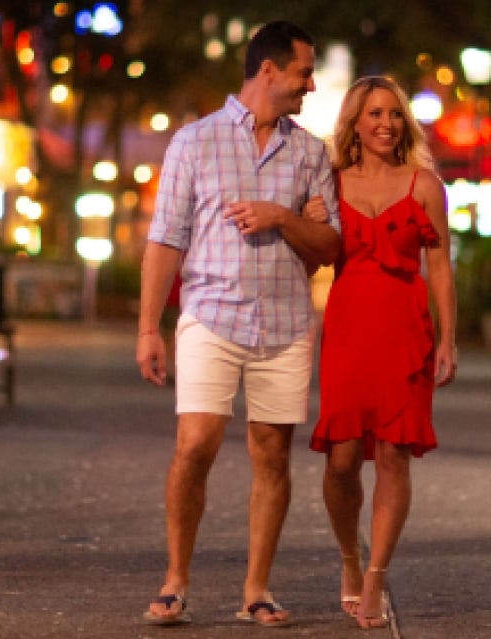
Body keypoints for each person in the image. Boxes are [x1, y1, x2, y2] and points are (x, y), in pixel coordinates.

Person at [135, 20, 341, 628]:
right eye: (304, 71)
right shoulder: (193, 143)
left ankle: (257, 588)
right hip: (210, 315)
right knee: (194, 445)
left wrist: (282, 216)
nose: (309, 84)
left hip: (284, 322)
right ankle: (175, 579)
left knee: (272, 454)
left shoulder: (309, 151)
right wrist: (149, 327)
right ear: (269, 69)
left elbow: (330, 244)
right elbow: (165, 240)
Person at [305, 75, 457, 629]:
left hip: (404, 330)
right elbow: (310, 255)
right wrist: (307, 224)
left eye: (394, 114)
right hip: (347, 330)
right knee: (341, 459)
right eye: (373, 114)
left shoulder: (424, 186)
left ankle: (376, 578)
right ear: (355, 123)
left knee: (394, 454)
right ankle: (349, 557)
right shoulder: (330, 184)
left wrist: (448, 338)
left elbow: (439, 266)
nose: (385, 124)